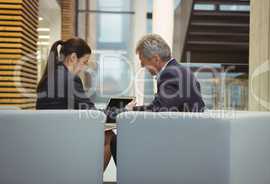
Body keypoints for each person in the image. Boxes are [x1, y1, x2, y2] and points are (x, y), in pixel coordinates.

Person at [110, 33, 206, 163]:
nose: (143, 67)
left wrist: (129, 110)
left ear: (155, 59)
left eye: (143, 62)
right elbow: (163, 107)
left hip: (178, 141)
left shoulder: (169, 74)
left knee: (115, 140)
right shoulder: (181, 70)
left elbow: (159, 111)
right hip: (188, 136)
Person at [36, 37, 114, 171]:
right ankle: (90, 178)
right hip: (63, 140)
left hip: (46, 138)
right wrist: (123, 109)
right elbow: (94, 114)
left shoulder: (48, 77)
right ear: (73, 58)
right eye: (84, 62)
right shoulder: (71, 79)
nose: (84, 68)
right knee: (108, 136)